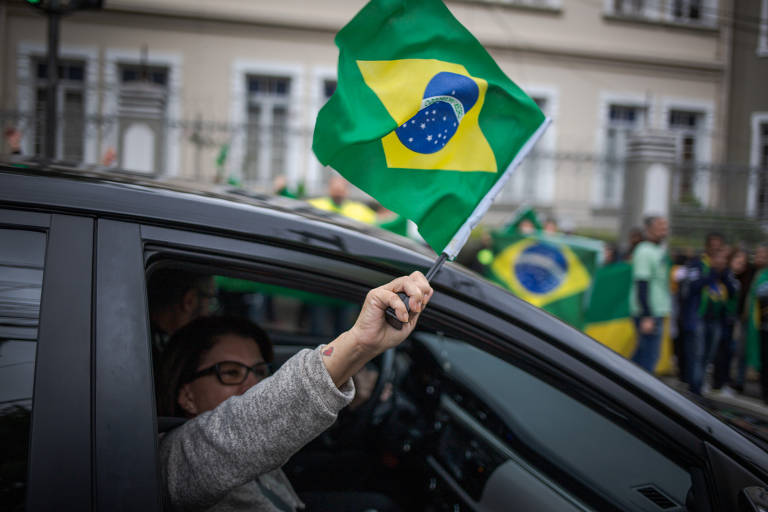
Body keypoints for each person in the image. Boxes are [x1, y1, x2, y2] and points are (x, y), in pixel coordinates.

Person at [156, 272, 432, 511]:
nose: (252, 386)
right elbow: (246, 424)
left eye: (260, 372)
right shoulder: (174, 462)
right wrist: (359, 344)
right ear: (186, 395)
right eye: (230, 373)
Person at [147, 269, 217, 362]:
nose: (209, 312)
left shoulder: (145, 338)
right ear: (190, 300)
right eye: (210, 301)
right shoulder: (158, 353)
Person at [629, 216, 670, 372]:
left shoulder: (657, 250)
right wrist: (647, 315)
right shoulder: (644, 251)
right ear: (648, 229)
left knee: (641, 358)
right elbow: (642, 283)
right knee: (648, 360)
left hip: (656, 311)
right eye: (660, 226)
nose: (664, 230)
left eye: (665, 227)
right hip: (649, 313)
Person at [309, 175, 377, 225]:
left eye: (341, 191)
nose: (338, 194)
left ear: (347, 191)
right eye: (335, 190)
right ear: (329, 190)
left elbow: (376, 221)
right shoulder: (315, 205)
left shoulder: (359, 210)